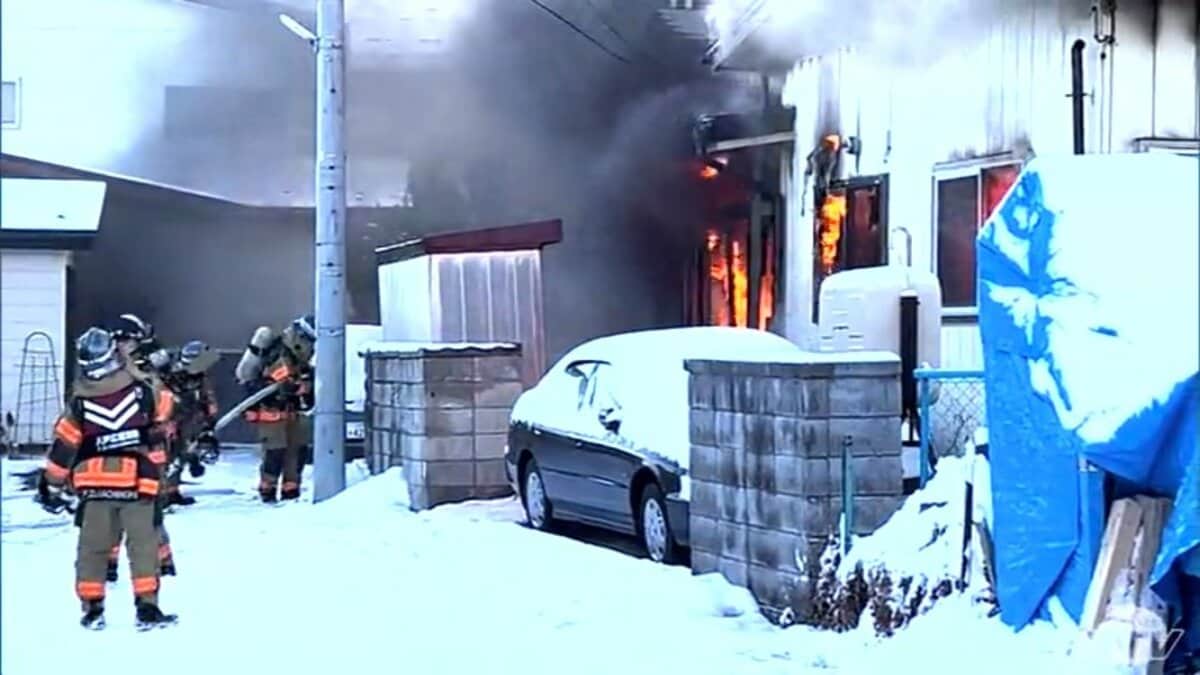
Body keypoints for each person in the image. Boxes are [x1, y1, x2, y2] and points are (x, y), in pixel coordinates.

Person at [35, 327, 178, 630]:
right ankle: (147, 608)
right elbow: (165, 412)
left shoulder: (79, 403)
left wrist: (52, 485)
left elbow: (64, 448)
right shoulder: (143, 390)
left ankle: (92, 607)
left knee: (93, 548)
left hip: (93, 486)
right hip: (139, 484)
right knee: (143, 546)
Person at [104, 313, 179, 583]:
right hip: (116, 452)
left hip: (148, 454)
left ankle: (163, 561)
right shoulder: (107, 369)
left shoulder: (148, 370)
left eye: (126, 340)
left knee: (149, 512)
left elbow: (165, 406)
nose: (121, 345)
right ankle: (108, 564)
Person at [235, 315, 315, 503]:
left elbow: (305, 382)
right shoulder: (277, 355)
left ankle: (291, 492)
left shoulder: (299, 360)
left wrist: (306, 387)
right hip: (272, 412)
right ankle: (267, 491)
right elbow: (271, 383)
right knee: (274, 453)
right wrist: (293, 387)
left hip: (295, 413)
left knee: (297, 453)